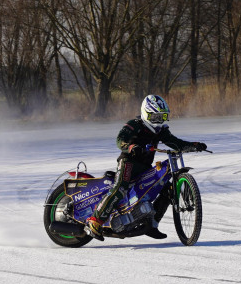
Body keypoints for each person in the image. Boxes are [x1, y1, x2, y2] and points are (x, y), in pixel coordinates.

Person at [86, 95, 207, 241]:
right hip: (128, 162)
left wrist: (194, 146)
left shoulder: (161, 130)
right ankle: (95, 220)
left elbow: (175, 143)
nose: (159, 120)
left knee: (168, 190)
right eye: (155, 116)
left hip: (145, 167)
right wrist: (131, 147)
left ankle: (151, 225)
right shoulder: (135, 124)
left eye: (162, 117)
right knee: (120, 187)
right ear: (146, 113)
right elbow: (120, 140)